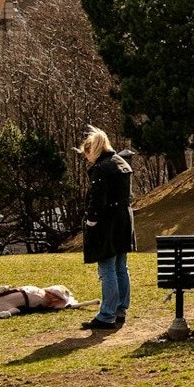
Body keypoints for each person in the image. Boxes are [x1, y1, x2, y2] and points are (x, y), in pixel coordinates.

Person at [80, 126, 134, 331]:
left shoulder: (101, 168)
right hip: (123, 219)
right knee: (121, 266)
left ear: (92, 150)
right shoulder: (122, 163)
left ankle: (107, 314)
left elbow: (98, 198)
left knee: (107, 268)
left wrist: (91, 221)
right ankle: (120, 309)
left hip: (108, 223)